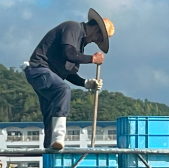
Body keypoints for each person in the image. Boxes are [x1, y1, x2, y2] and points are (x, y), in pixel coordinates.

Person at [25, 8, 114, 150]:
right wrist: (92, 59)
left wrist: (86, 83)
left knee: (50, 115)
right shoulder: (73, 28)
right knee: (63, 89)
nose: (97, 41)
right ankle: (59, 136)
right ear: (96, 28)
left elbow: (68, 73)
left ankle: (50, 152)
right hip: (38, 69)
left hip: (50, 76)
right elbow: (69, 54)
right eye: (99, 37)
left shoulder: (80, 46)